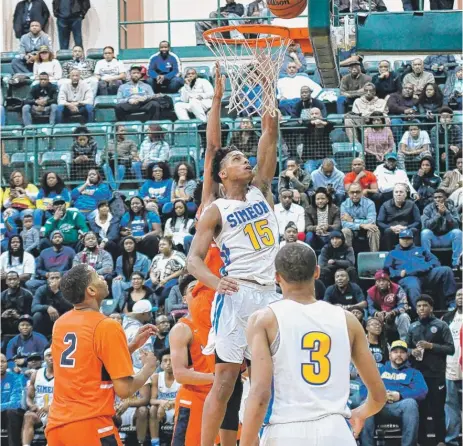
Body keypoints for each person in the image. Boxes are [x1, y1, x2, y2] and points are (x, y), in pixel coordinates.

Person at [187, 69, 280, 445]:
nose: (246, 161)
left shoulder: (261, 190)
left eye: (246, 157)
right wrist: (217, 100)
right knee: (224, 381)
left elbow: (270, 135)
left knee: (268, 379)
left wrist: (268, 85)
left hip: (271, 293)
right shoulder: (214, 207)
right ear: (223, 173)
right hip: (234, 293)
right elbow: (193, 261)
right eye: (238, 158)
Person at [240, 243, 386, 445]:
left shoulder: (264, 320)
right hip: (335, 431)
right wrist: (360, 414)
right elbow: (379, 396)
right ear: (317, 272)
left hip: (285, 431)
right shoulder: (348, 320)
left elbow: (260, 393)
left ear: (277, 277)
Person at [44, 264, 158, 445]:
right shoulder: (107, 325)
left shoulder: (61, 323)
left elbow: (90, 362)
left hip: (57, 426)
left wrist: (131, 346)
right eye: (97, 276)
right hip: (90, 426)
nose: (104, 278)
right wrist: (149, 368)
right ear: (91, 290)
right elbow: (125, 389)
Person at [170, 276, 214, 446]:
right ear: (184, 299)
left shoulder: (219, 324)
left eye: (202, 289)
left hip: (220, 397)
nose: (198, 292)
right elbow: (180, 375)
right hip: (194, 400)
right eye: (192, 290)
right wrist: (218, 378)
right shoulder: (182, 328)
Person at [406, 295, 455, 446]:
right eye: (419, 306)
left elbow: (451, 349)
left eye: (425, 305)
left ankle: (440, 441)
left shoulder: (441, 325)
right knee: (419, 410)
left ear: (431, 308)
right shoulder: (412, 326)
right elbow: (405, 347)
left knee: (438, 410)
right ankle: (421, 441)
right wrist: (411, 352)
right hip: (418, 375)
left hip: (436, 375)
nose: (421, 308)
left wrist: (431, 346)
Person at [359, 340, 428, 446]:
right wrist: (379, 396)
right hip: (378, 407)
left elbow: (422, 391)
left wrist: (400, 395)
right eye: (395, 352)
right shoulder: (378, 371)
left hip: (400, 408)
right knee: (365, 404)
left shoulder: (414, 372)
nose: (399, 355)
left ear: (407, 355)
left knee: (410, 403)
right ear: (390, 355)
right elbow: (363, 389)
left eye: (402, 352)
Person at [385, 229, 457, 309]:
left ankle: (452, 304)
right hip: (408, 277)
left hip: (426, 274)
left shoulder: (420, 249)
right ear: (399, 239)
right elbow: (387, 270)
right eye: (403, 238)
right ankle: (419, 311)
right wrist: (398, 273)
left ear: (412, 239)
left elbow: (435, 261)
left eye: (408, 238)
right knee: (412, 284)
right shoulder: (393, 253)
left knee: (446, 270)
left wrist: (425, 267)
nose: (405, 241)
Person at [421, 188, 462, 271]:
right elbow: (426, 226)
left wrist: (447, 213)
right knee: (425, 233)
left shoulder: (451, 208)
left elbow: (456, 225)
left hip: (447, 238)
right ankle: (428, 263)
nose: (437, 199)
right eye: (435, 198)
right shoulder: (428, 209)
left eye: (440, 197)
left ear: (445, 198)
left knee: (458, 232)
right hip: (434, 238)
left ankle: (456, 264)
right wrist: (438, 214)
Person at [21, 348, 54, 446]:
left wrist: (51, 407)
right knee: (28, 416)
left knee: (55, 420)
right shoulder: (36, 374)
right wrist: (31, 405)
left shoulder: (62, 375)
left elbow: (66, 398)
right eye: (48, 355)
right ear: (44, 358)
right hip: (39, 412)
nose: (51, 357)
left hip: (55, 412)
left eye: (53, 355)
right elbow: (29, 397)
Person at [442, 288, 462, 446]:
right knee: (451, 405)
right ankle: (452, 441)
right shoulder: (447, 317)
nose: (460, 297)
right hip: (451, 365)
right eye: (458, 294)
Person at [367, 270, 411, 340]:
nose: (381, 283)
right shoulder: (370, 292)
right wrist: (377, 313)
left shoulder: (398, 288)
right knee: (369, 319)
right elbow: (370, 308)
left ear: (388, 281)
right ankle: (373, 343)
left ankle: (405, 343)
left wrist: (393, 312)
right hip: (380, 318)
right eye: (379, 281)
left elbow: (404, 305)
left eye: (384, 281)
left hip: (395, 318)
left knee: (404, 316)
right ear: (376, 283)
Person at [149, 348, 180, 446]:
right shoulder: (156, 377)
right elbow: (152, 400)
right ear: (161, 364)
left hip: (176, 406)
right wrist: (161, 403)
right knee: (153, 409)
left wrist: (168, 404)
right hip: (162, 408)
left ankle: (178, 441)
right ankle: (155, 442)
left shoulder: (181, 377)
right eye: (165, 361)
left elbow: (183, 400)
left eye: (171, 361)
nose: (168, 363)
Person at [377, 183, 421, 251]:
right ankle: (389, 255)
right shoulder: (385, 205)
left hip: (407, 229)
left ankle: (415, 255)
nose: (398, 194)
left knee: (414, 230)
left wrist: (406, 228)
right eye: (396, 192)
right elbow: (379, 221)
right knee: (387, 231)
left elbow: (418, 221)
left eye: (401, 192)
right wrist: (390, 227)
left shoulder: (412, 204)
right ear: (393, 194)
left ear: (405, 194)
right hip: (391, 230)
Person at [111, 237, 151, 311]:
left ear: (135, 245)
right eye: (126, 244)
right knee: (116, 282)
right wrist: (120, 277)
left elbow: (144, 275)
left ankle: (122, 308)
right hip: (126, 283)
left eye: (131, 243)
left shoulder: (143, 258)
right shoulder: (119, 259)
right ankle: (120, 308)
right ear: (123, 246)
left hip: (138, 282)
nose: (128, 245)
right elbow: (120, 273)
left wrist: (135, 280)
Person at [148, 236, 186, 308]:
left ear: (170, 246)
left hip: (173, 280)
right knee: (145, 288)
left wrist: (167, 279)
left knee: (163, 292)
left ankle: (158, 307)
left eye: (163, 244)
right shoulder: (157, 257)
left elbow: (184, 269)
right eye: (160, 245)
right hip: (157, 281)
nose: (161, 246)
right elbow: (151, 270)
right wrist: (152, 278)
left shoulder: (178, 255)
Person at [341, 183, 380, 252]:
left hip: (367, 229)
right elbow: (344, 224)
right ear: (348, 193)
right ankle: (349, 258)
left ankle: (374, 257)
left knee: (374, 230)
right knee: (345, 230)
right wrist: (361, 225)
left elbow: (371, 221)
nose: (355, 194)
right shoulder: (344, 205)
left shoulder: (370, 203)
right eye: (352, 192)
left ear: (362, 192)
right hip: (352, 229)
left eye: (357, 192)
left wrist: (353, 220)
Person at [31, 272, 73, 336]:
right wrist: (47, 307)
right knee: (37, 315)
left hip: (62, 317)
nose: (54, 280)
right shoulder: (41, 289)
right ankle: (38, 338)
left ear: (62, 279)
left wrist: (56, 291)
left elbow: (72, 306)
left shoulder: (67, 289)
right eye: (52, 278)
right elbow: (34, 307)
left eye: (57, 278)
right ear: (48, 280)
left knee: (71, 314)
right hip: (48, 318)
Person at [103, 125, 142, 189]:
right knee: (105, 166)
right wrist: (107, 156)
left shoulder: (130, 142)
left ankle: (115, 188)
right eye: (122, 130)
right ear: (115, 132)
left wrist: (127, 156)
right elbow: (103, 154)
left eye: (125, 130)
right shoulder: (109, 142)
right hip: (111, 162)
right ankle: (114, 187)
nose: (124, 132)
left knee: (121, 168)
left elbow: (133, 154)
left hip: (123, 162)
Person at [122, 300, 156, 369]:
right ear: (143, 314)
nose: (151, 315)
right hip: (139, 371)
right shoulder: (140, 331)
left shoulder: (123, 325)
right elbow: (143, 357)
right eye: (149, 313)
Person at [1, 353, 24, 446]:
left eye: (2, 361)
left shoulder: (15, 378)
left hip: (7, 415)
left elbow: (16, 403)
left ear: (7, 364)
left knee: (11, 412)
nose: (0, 364)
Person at [1, 271, 33, 336]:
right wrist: (3, 315)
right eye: (10, 279)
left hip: (22, 322)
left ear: (18, 280)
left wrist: (19, 316)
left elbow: (30, 315)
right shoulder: (1, 296)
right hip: (5, 322)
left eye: (14, 279)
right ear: (6, 281)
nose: (12, 281)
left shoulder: (27, 294)